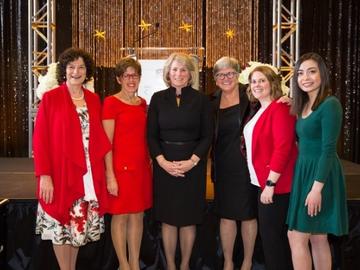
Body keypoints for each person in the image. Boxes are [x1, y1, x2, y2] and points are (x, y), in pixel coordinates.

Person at [33, 48, 111, 270]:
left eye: (81, 67)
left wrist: (106, 175)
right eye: (71, 67)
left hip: (88, 174)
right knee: (61, 229)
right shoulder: (51, 98)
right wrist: (45, 176)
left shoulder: (94, 100)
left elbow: (101, 139)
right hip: (60, 174)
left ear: (87, 72)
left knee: (77, 229)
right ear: (63, 71)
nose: (76, 71)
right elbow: (40, 141)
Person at [147, 52, 213, 270]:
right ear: (168, 72)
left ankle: (184, 265)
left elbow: (207, 135)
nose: (179, 74)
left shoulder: (202, 100)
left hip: (192, 166)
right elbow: (151, 136)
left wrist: (192, 161)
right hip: (164, 165)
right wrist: (162, 162)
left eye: (183, 70)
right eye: (174, 69)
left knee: (188, 218)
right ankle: (171, 266)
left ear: (190, 74)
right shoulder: (157, 98)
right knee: (168, 218)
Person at [287, 52, 348, 270]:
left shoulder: (330, 104)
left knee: (296, 236)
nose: (306, 77)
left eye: (312, 72)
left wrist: (316, 189)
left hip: (320, 176)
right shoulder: (302, 105)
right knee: (317, 238)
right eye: (301, 73)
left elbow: (328, 149)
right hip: (304, 173)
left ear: (322, 74)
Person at [243, 65, 297, 270]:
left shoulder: (280, 108)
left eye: (262, 80)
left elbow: (282, 148)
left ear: (272, 83)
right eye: (254, 81)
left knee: (273, 240)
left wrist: (270, 183)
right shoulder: (260, 109)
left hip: (276, 186)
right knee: (271, 239)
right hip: (262, 183)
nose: (257, 85)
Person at [102, 57, 152, 270]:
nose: (131, 79)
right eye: (127, 75)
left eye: (135, 75)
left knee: (138, 215)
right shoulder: (111, 103)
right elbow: (107, 143)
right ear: (118, 79)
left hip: (141, 168)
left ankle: (134, 262)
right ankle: (123, 264)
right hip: (120, 170)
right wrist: (110, 175)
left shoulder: (142, 103)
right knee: (120, 217)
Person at [210, 56, 257, 270]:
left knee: (248, 215)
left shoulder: (251, 95)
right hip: (223, 166)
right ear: (215, 79)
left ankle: (247, 262)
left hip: (248, 166)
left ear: (238, 75)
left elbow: (273, 105)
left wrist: (287, 100)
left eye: (230, 73)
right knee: (227, 215)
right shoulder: (211, 100)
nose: (226, 78)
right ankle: (228, 262)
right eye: (221, 74)